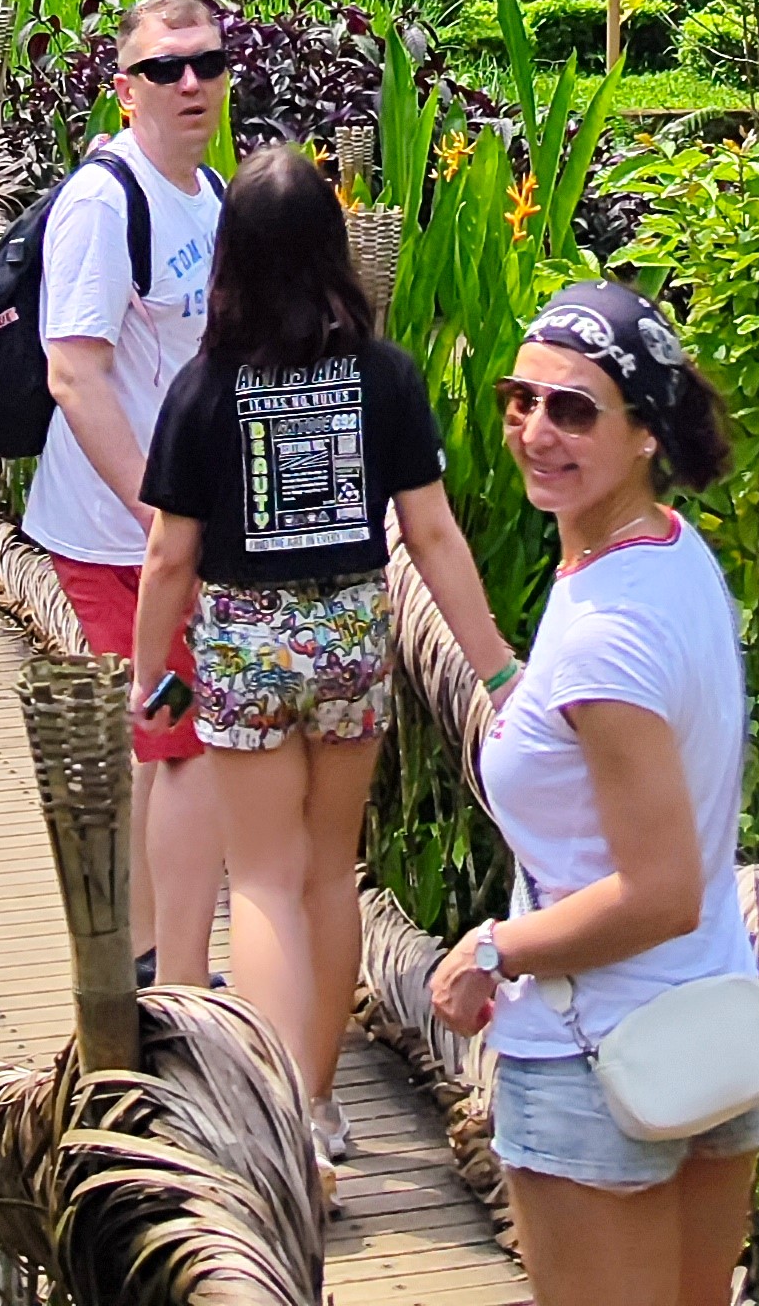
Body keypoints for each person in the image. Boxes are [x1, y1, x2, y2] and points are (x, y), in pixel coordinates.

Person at [132, 142, 517, 1202]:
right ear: (332, 250)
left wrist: (148, 674)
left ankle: (276, 1123)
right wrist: (495, 668)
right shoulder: (383, 377)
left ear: (233, 259)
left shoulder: (206, 388)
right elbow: (430, 534)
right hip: (350, 638)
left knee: (257, 879)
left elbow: (168, 557)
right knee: (326, 872)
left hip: (246, 646)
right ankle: (317, 1097)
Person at [426, 281, 759, 1306]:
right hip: (710, 1030)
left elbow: (660, 891)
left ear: (645, 432)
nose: (537, 431)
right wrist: (514, 688)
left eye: (574, 410)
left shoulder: (606, 635)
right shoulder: (672, 555)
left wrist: (491, 950)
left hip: (596, 1063)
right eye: (519, 399)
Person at [22, 0, 229, 986]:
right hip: (120, 538)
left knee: (168, 735)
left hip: (178, 531)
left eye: (207, 63)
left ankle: (152, 957)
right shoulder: (106, 202)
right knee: (180, 739)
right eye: (163, 68)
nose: (190, 83)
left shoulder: (211, 192)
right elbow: (75, 373)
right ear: (125, 88)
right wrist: (162, 518)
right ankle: (168, 972)